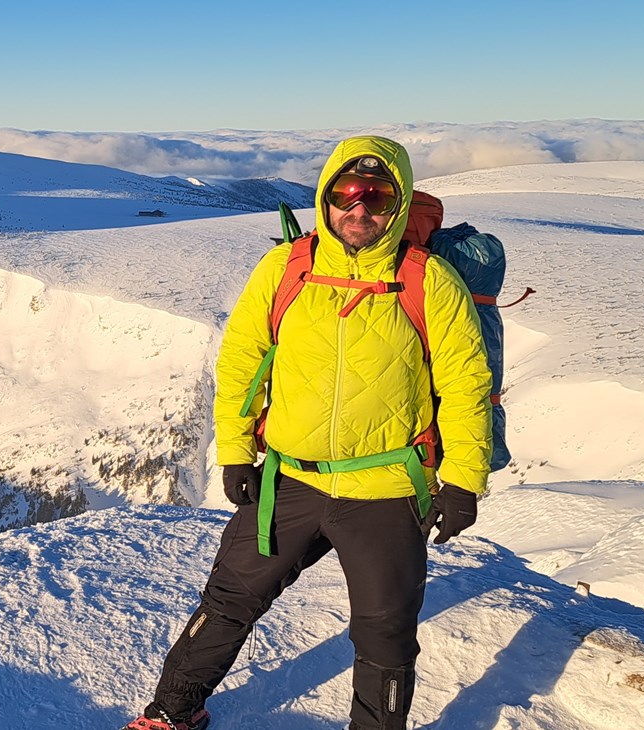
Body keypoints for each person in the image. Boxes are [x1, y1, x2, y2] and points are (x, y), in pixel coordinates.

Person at [124, 136, 493, 730]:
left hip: (387, 488)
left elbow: (465, 387)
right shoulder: (286, 267)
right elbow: (243, 360)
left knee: (385, 633)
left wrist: (463, 481)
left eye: (377, 197)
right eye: (346, 193)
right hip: (288, 478)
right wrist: (238, 451)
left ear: (398, 205)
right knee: (227, 603)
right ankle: (171, 711)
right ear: (325, 197)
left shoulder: (431, 281)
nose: (360, 208)